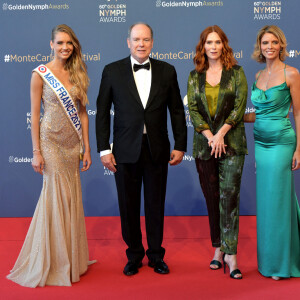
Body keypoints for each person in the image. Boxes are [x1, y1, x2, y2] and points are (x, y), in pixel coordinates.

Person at [96, 22, 187, 276]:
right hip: (124, 150)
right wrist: (104, 149)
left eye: (146, 39)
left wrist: (181, 145)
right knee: (128, 205)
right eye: (136, 39)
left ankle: (156, 255)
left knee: (155, 205)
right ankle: (134, 254)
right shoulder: (112, 71)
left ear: (152, 42)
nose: (141, 44)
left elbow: (177, 111)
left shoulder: (167, 71)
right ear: (128, 42)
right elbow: (101, 112)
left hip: (157, 148)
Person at [7, 24, 94, 287]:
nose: (65, 47)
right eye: (60, 43)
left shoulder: (78, 71)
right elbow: (35, 116)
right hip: (51, 142)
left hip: (72, 144)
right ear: (51, 45)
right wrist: (36, 151)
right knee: (56, 196)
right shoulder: (40, 74)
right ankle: (53, 261)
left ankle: (71, 257)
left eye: (69, 43)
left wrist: (87, 147)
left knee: (71, 196)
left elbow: (81, 113)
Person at [187, 25, 248, 279]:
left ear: (224, 45)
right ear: (203, 46)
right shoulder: (194, 76)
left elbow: (239, 106)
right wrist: (211, 137)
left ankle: (231, 254)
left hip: (232, 143)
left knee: (229, 197)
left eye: (218, 42)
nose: (213, 47)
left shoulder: (236, 73)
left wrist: (221, 133)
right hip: (205, 145)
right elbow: (193, 108)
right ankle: (217, 249)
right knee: (212, 198)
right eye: (208, 42)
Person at [244, 25, 300, 280]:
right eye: (265, 42)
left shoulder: (292, 74)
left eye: (274, 42)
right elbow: (258, 114)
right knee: (267, 202)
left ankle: (280, 264)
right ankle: (269, 259)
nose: (269, 47)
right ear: (260, 46)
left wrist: (299, 147)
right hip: (261, 143)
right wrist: (231, 117)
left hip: (281, 142)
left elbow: (298, 112)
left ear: (281, 45)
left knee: (277, 200)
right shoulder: (256, 76)